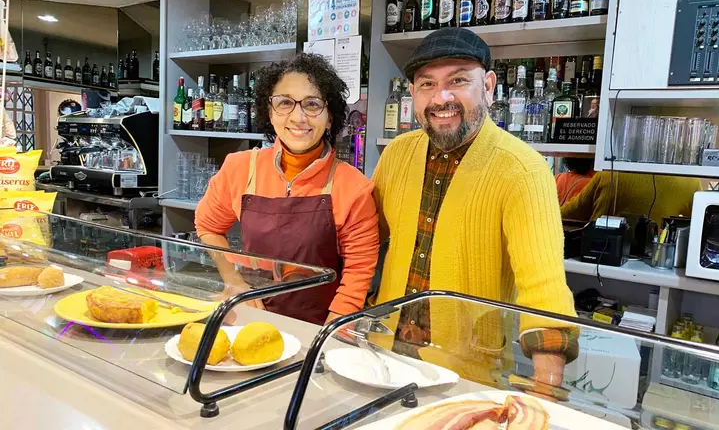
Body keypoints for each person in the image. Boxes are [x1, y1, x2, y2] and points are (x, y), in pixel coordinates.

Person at [372, 28, 578, 390]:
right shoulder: (396, 155)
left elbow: (544, 289)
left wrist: (546, 392)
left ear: (488, 85)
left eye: (458, 80)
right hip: (382, 356)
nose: (442, 97)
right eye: (427, 85)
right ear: (412, 94)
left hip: (467, 373)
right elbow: (365, 241)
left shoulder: (522, 169)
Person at [195, 54, 379, 326]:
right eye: (284, 103)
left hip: (317, 326)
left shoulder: (354, 187)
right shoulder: (240, 168)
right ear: (269, 114)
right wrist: (234, 281)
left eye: (312, 104)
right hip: (250, 319)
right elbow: (207, 226)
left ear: (330, 118)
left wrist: (330, 339)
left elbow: (358, 273)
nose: (298, 116)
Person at [560, 172, 702, 227]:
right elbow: (700, 229)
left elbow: (565, 214)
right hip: (656, 264)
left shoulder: (606, 175)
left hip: (598, 258)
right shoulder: (690, 181)